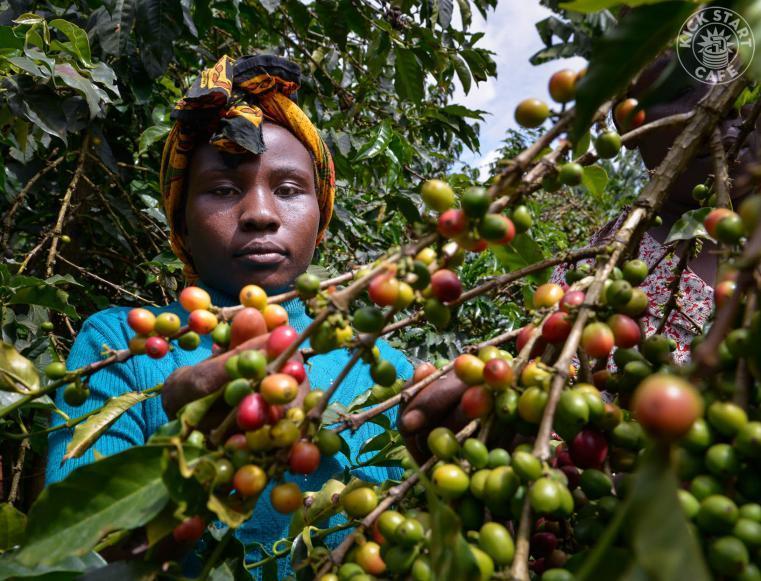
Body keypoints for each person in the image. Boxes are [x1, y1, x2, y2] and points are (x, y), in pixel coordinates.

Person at [45, 55, 412, 576]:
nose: (261, 214)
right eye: (222, 190)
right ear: (182, 220)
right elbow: (74, 555)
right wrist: (180, 461)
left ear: (321, 213)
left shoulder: (384, 367)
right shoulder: (121, 342)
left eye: (288, 190)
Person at [399, 51, 759, 447]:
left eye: (742, 79)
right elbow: (549, 388)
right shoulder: (611, 253)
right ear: (628, 124)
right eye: (683, 87)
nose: (722, 102)